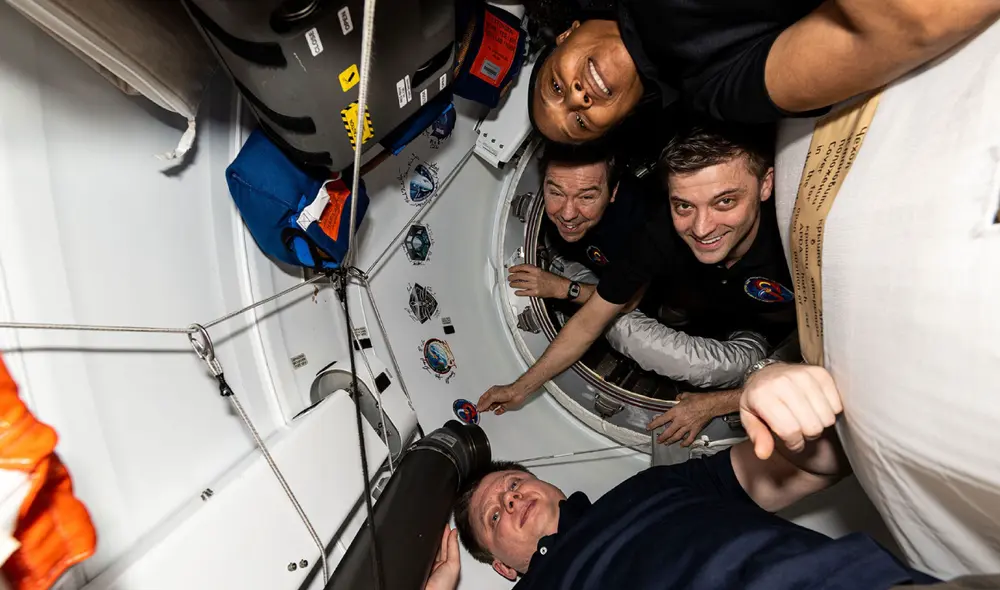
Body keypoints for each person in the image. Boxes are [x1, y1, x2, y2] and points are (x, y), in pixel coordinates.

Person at [428, 363, 937, 590]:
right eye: (494, 516)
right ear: (502, 568)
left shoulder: (652, 487)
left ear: (549, 486)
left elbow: (815, 465)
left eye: (513, 486)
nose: (512, 500)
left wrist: (782, 397)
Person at [480, 124, 797, 445]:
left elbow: (822, 366)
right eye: (684, 205)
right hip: (702, 312)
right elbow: (589, 322)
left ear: (766, 185)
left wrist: (720, 402)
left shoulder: (800, 247)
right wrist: (520, 388)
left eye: (725, 202)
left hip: (771, 335)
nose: (701, 228)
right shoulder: (659, 233)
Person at [527, 0, 1000, 144]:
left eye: (554, 85)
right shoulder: (717, 90)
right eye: (581, 122)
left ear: (565, 34)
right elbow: (912, 21)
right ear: (622, 117)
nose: (577, 99)